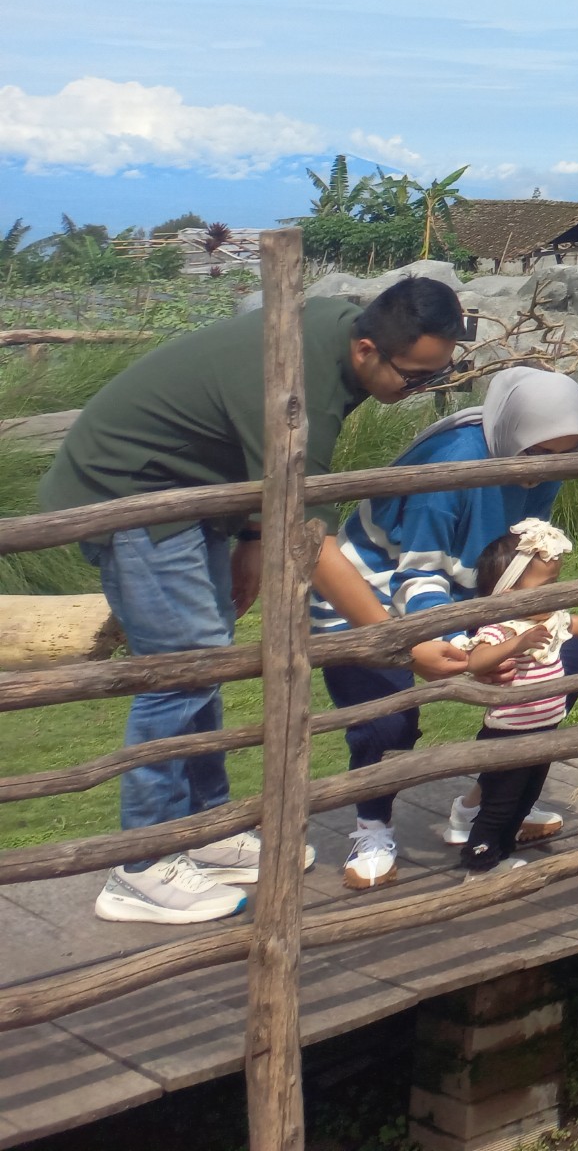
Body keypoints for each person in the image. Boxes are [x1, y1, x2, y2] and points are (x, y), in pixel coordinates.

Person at [36, 274, 462, 924]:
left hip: (195, 491)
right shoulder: (306, 383)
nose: (420, 391)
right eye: (415, 377)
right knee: (181, 670)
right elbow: (312, 543)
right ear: (367, 349)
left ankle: (202, 831)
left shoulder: (340, 334)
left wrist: (253, 540)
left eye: (436, 378)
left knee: (206, 656)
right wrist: (404, 646)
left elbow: (279, 485)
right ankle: (141, 864)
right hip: (130, 493)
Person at [311, 365, 578, 891]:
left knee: (563, 664)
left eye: (566, 455)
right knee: (387, 720)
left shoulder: (542, 469)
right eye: (538, 455)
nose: (549, 469)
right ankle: (372, 829)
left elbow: (514, 559)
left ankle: (488, 803)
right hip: (369, 595)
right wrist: (444, 641)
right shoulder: (451, 467)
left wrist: (510, 630)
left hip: (461, 596)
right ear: (513, 435)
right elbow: (417, 570)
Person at [410, 519, 578, 875]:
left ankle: (502, 853)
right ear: (508, 594)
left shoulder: (549, 617)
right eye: (547, 586)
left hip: (543, 729)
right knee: (500, 803)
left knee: (525, 798)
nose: (555, 593)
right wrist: (516, 644)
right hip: (508, 734)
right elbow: (477, 660)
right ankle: (480, 864)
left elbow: (574, 623)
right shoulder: (501, 628)